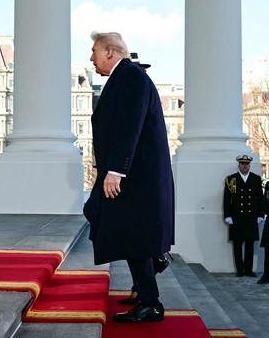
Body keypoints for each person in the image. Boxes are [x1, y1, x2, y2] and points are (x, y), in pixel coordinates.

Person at [84, 32, 174, 323]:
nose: (91, 57)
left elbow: (131, 125)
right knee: (105, 218)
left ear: (110, 52)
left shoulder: (132, 76)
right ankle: (153, 265)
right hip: (132, 175)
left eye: (94, 50)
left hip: (134, 176)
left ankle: (151, 302)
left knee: (133, 235)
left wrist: (116, 170)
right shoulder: (125, 76)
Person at [223, 155, 266, 277]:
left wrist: (260, 215)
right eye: (242, 163)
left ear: (249, 165)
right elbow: (227, 199)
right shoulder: (231, 179)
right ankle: (240, 270)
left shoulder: (256, 179)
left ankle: (248, 270)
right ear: (239, 165)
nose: (244, 165)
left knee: (250, 245)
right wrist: (227, 215)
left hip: (251, 217)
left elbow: (260, 199)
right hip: (236, 217)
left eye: (246, 164)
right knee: (237, 244)